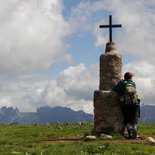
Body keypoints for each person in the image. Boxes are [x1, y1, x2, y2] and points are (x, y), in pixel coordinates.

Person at [112, 72, 140, 139]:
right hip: (135, 103)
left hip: (126, 104)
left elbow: (114, 89)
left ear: (124, 77)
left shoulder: (122, 83)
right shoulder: (133, 83)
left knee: (127, 119)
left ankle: (130, 134)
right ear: (131, 77)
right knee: (134, 119)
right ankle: (135, 134)